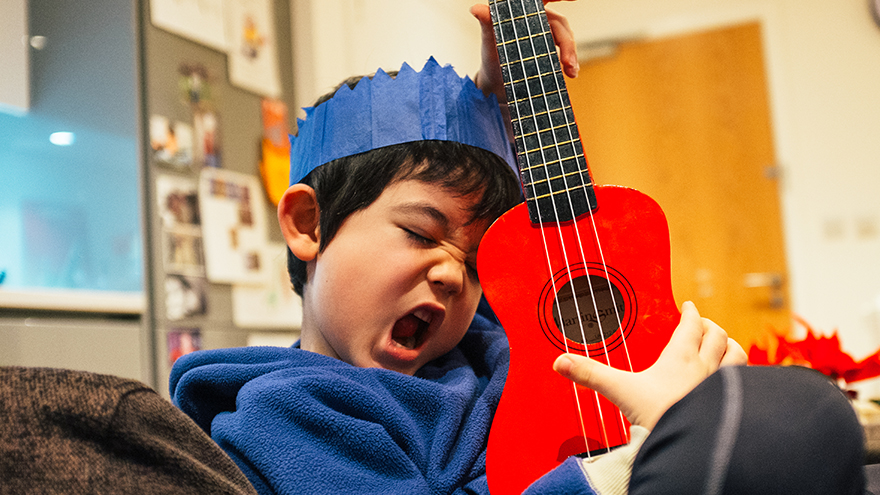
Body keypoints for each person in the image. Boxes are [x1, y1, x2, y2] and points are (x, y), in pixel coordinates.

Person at [170, 3, 866, 494]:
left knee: (796, 410)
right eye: (420, 232)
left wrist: (504, 99)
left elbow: (550, 269)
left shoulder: (481, 351)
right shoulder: (289, 412)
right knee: (794, 422)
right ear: (306, 225)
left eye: (476, 263)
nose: (450, 273)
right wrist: (627, 464)